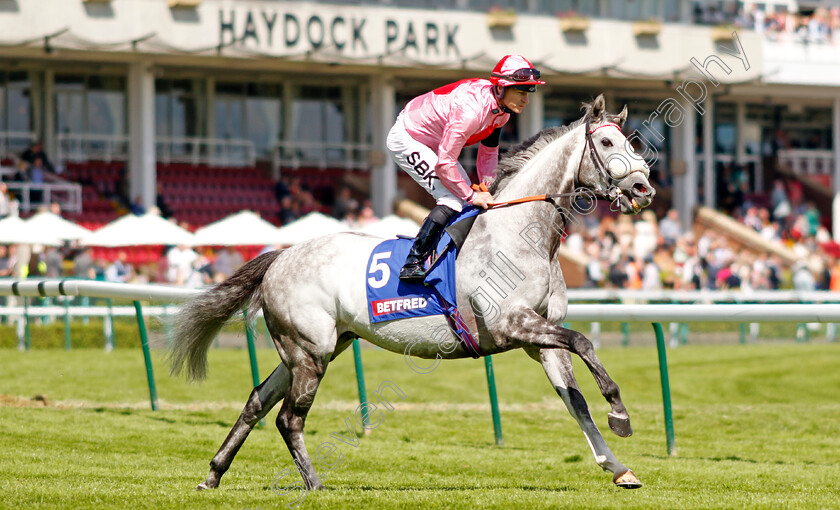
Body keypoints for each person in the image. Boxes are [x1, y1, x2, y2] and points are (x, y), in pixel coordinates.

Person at [386, 54, 544, 282]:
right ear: (500, 88)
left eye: (528, 92)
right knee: (453, 199)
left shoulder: (501, 113)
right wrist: (472, 195)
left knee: (473, 198)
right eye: (520, 92)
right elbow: (444, 163)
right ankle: (413, 262)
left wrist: (488, 187)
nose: (526, 100)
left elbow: (488, 151)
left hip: (433, 140)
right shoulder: (470, 113)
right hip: (408, 137)